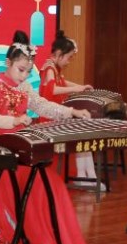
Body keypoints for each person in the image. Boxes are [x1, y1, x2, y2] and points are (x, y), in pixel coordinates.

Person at [0, 31, 92, 244]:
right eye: (20, 70)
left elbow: (43, 105)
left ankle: (51, 237)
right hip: (3, 156)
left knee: (52, 186)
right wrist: (14, 121)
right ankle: (41, 235)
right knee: (44, 185)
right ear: (8, 63)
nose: (24, 76)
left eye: (28, 72)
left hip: (21, 153)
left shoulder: (23, 89)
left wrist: (71, 111)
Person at [38, 31, 101, 191]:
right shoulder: (49, 68)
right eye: (69, 57)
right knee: (83, 131)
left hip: (57, 116)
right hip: (50, 120)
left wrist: (80, 87)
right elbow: (52, 89)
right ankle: (85, 176)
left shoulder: (54, 68)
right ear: (59, 54)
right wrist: (76, 89)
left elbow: (63, 82)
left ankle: (88, 175)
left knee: (84, 129)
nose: (69, 61)